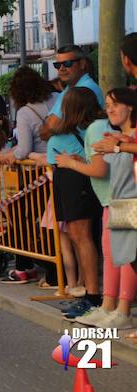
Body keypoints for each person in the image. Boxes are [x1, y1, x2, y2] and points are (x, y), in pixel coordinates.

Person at [59, 88, 136, 330]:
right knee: (116, 254)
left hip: (129, 202)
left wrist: (117, 147)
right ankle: (109, 306)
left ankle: (122, 310)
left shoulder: (125, 139)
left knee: (126, 257)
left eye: (116, 104)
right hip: (118, 201)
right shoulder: (116, 136)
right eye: (108, 104)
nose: (110, 109)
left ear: (130, 107)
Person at [46, 88, 105, 320]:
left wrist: (71, 162)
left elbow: (96, 163)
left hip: (76, 182)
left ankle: (93, 295)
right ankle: (91, 293)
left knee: (82, 236)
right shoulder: (86, 130)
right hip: (69, 180)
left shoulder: (92, 129)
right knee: (77, 236)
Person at [41, 44, 104, 140]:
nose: (61, 68)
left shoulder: (86, 89)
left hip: (79, 153)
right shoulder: (69, 89)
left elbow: (50, 128)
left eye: (67, 63)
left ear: (82, 64)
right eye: (57, 65)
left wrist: (49, 122)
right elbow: (44, 132)